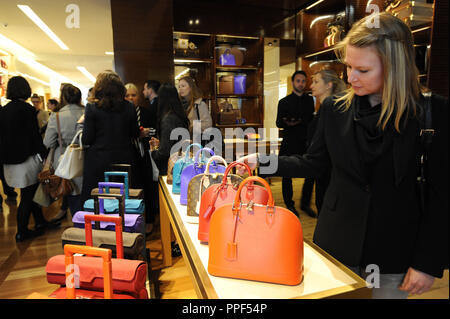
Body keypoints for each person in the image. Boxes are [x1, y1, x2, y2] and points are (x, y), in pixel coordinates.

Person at [239, 12, 448, 298]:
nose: (351, 78)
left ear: (395, 67)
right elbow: (315, 163)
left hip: (395, 250)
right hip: (336, 242)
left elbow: (441, 195)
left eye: (363, 70)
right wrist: (262, 162)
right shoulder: (334, 109)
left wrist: (427, 262)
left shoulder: (432, 112)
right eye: (348, 66)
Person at [0, 76, 52, 242]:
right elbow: (34, 136)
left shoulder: (3, 110)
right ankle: (21, 231)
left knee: (29, 192)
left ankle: (40, 222)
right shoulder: (27, 109)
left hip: (9, 161)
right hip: (26, 160)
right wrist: (45, 155)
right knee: (29, 195)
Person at [78, 70, 140, 207]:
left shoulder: (92, 108)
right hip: (124, 159)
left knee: (97, 201)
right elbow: (134, 133)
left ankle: (100, 225)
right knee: (124, 200)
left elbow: (87, 139)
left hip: (98, 161)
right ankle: (124, 225)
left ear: (99, 88)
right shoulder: (129, 107)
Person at [149, 83, 190, 257]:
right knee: (179, 207)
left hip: (170, 170)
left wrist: (153, 152)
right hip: (182, 165)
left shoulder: (167, 119)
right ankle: (178, 242)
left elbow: (165, 152)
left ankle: (175, 243)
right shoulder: (180, 116)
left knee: (171, 212)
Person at [304, 68, 347, 213]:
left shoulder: (332, 109)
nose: (311, 86)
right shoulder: (323, 109)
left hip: (330, 173)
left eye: (316, 82)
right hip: (321, 171)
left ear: (329, 85)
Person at [275, 70, 315, 217]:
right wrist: (289, 122)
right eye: (298, 81)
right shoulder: (284, 102)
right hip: (290, 141)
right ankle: (289, 205)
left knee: (311, 173)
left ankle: (305, 204)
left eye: (303, 81)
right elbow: (278, 122)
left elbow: (311, 121)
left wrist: (299, 121)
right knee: (287, 174)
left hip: (306, 142)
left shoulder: (310, 100)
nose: (301, 83)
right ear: (293, 82)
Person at [43, 84, 85, 222]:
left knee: (71, 191)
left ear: (63, 98)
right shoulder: (87, 112)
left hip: (66, 160)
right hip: (86, 157)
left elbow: (48, 142)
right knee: (86, 192)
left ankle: (78, 225)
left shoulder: (56, 116)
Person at [125, 82, 158, 234]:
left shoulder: (147, 112)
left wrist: (146, 132)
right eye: (127, 95)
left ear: (138, 96)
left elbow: (155, 131)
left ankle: (150, 220)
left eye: (133, 95)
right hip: (129, 156)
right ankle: (133, 222)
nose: (130, 98)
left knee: (148, 188)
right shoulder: (121, 114)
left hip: (145, 155)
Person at [177, 76, 212, 144]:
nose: (180, 89)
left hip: (197, 142)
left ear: (190, 87)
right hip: (185, 142)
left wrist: (192, 125)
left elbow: (208, 124)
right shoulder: (179, 105)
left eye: (183, 86)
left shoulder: (199, 104)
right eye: (179, 87)